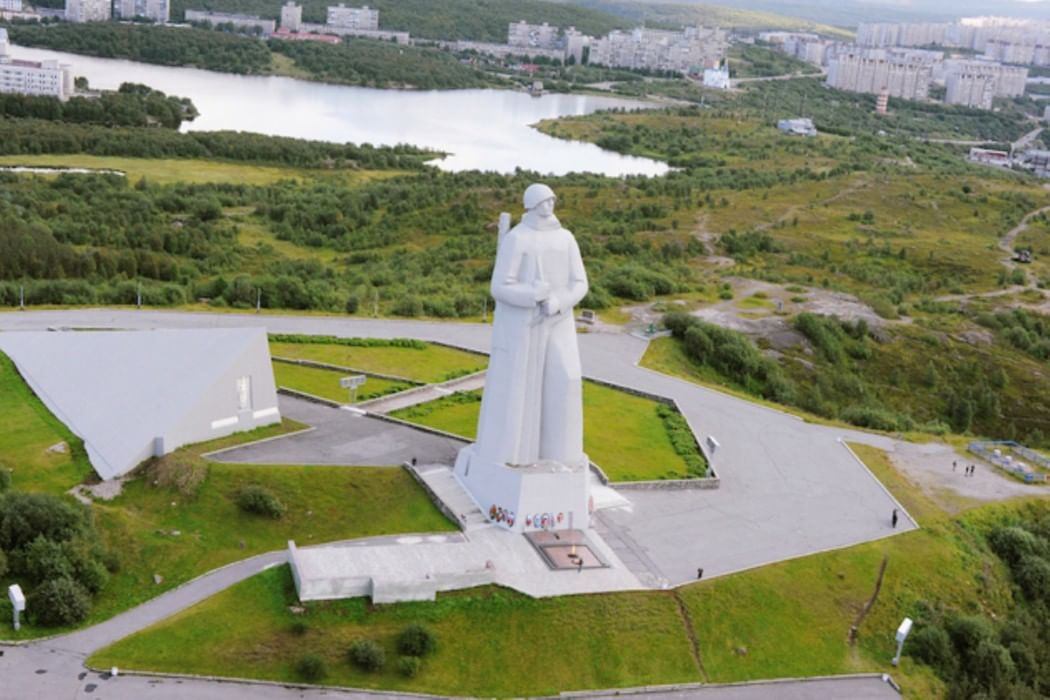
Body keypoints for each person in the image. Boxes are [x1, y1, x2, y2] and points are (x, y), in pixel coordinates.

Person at [473, 183, 589, 468]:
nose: (549, 206)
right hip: (526, 325)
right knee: (520, 390)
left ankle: (562, 456)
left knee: (567, 378)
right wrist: (531, 295)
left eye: (551, 201)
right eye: (544, 202)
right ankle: (515, 456)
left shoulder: (566, 238)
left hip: (559, 321)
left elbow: (580, 283)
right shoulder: (518, 238)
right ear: (532, 205)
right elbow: (499, 287)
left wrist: (559, 302)